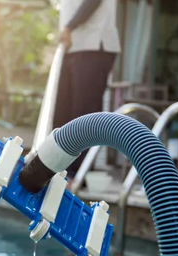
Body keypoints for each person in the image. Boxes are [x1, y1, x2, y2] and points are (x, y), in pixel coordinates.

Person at [54, 0, 121, 179]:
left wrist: (68, 27)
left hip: (94, 45)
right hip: (72, 48)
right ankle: (61, 170)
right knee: (63, 113)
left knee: (83, 113)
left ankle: (77, 174)